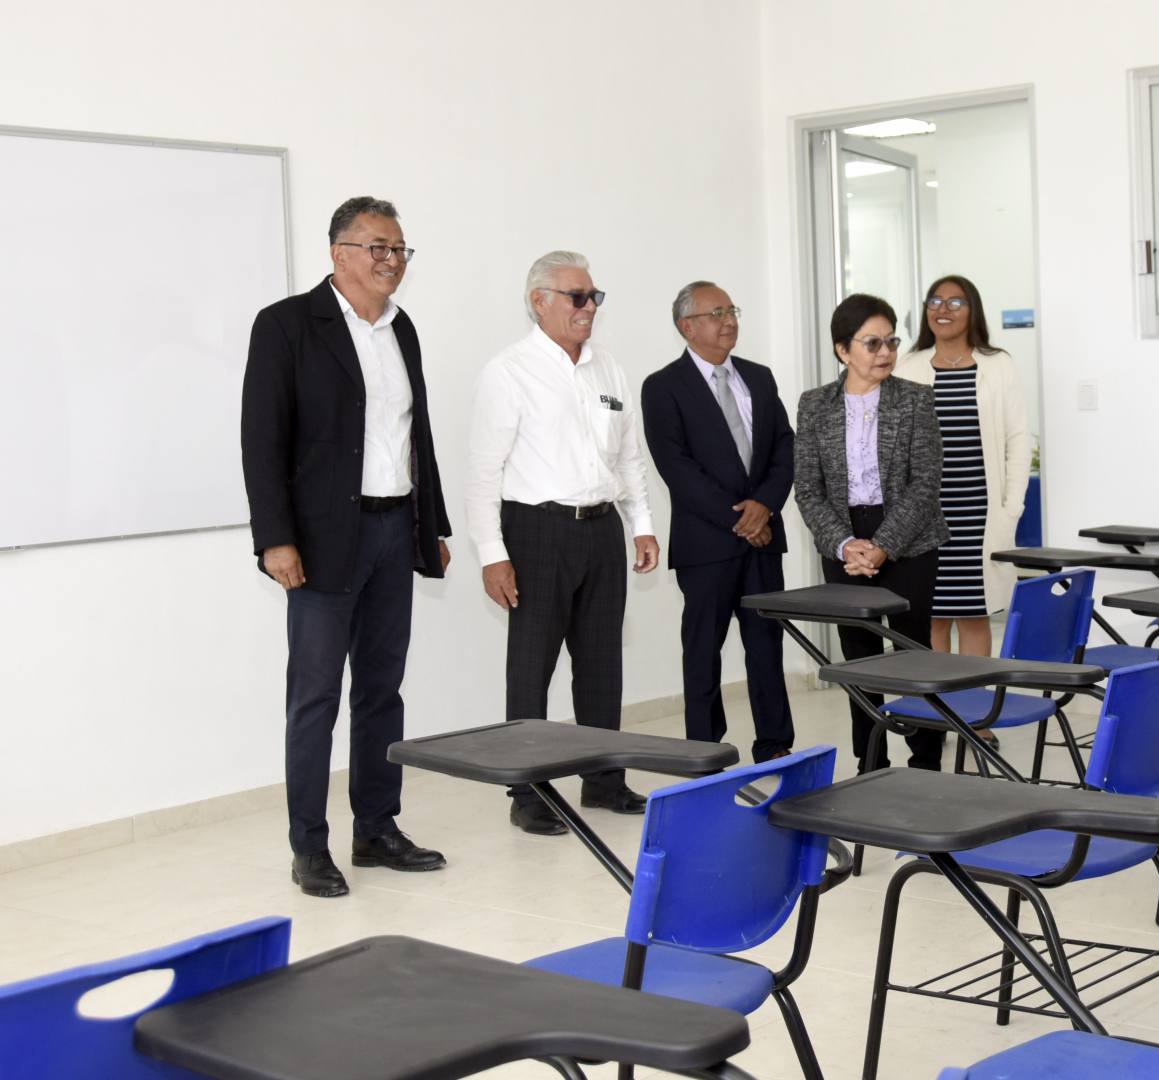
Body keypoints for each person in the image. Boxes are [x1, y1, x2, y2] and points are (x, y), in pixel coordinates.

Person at [241, 196, 450, 898]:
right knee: (316, 698)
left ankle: (376, 830)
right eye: (377, 247)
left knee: (382, 690)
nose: (391, 260)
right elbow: (261, 441)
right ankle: (309, 846)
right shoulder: (287, 325)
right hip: (323, 540)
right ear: (339, 253)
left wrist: (431, 526)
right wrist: (276, 539)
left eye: (399, 248)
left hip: (395, 529)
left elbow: (416, 436)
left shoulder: (401, 328)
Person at [465, 251, 659, 835]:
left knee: (601, 665)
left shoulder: (608, 368)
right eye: (577, 296)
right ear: (539, 301)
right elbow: (483, 473)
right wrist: (493, 555)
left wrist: (641, 522)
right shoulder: (508, 371)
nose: (588, 307)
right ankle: (527, 793)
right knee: (532, 668)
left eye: (594, 296)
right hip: (536, 531)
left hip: (601, 529)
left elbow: (628, 456)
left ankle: (603, 781)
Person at [795, 293, 950, 772]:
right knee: (858, 657)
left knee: (912, 653)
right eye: (872, 343)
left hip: (909, 539)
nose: (885, 352)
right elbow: (808, 489)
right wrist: (845, 544)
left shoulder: (917, 399)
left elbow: (926, 483)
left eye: (891, 342)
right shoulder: (814, 405)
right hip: (844, 539)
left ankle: (925, 761)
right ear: (843, 349)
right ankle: (872, 762)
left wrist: (884, 545)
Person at [641, 282, 796, 761]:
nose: (729, 321)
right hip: (707, 544)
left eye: (732, 311)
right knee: (703, 649)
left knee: (766, 646)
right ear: (687, 326)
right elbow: (677, 468)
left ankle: (774, 745)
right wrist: (743, 518)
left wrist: (764, 506)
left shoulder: (759, 377)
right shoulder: (663, 387)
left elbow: (784, 447)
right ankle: (706, 750)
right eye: (716, 313)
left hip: (763, 540)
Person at [894, 275, 1030, 658]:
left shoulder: (998, 365)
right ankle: (937, 699)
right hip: (925, 519)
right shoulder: (908, 367)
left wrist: (1011, 508)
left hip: (978, 516)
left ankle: (974, 699)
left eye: (955, 302)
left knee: (973, 616)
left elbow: (1018, 440)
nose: (943, 309)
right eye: (935, 301)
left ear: (973, 311)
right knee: (931, 617)